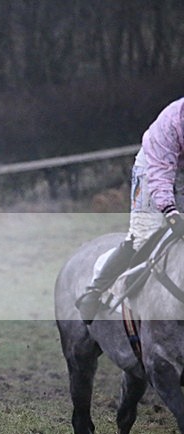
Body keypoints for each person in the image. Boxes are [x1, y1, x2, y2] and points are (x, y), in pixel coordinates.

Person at [76, 97, 184, 323]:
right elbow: (161, 175)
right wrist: (171, 211)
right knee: (142, 238)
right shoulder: (171, 123)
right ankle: (96, 291)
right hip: (154, 169)